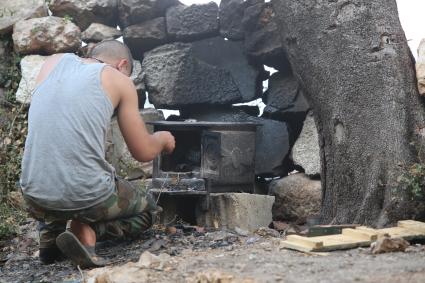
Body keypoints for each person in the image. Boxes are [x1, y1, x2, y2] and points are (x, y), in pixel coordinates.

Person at [19, 40, 175, 268]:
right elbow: (144, 152)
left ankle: (51, 233)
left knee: (58, 183)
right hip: (90, 197)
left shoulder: (53, 62)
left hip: (33, 196)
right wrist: (163, 139)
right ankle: (88, 231)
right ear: (122, 65)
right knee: (149, 210)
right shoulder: (119, 80)